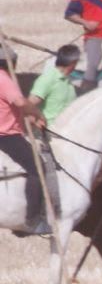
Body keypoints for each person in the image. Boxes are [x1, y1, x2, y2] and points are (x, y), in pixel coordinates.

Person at [0, 46, 51, 235]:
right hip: (6, 136)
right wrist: (37, 113)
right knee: (38, 169)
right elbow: (20, 102)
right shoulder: (4, 79)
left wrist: (27, 117)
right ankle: (32, 220)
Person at [28, 45, 80, 126]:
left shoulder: (67, 80)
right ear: (73, 62)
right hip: (51, 131)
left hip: (68, 130)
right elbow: (30, 103)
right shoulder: (48, 78)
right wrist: (37, 119)